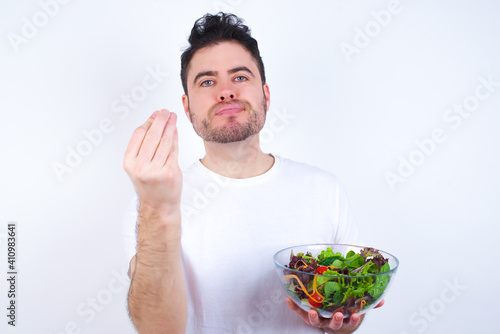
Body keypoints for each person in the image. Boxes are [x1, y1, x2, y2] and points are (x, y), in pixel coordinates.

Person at [122, 12, 381, 333]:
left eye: (240, 77)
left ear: (266, 95)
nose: (226, 91)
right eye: (207, 81)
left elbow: (353, 302)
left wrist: (342, 321)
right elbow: (157, 329)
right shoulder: (152, 201)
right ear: (187, 107)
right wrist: (157, 207)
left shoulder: (325, 189)